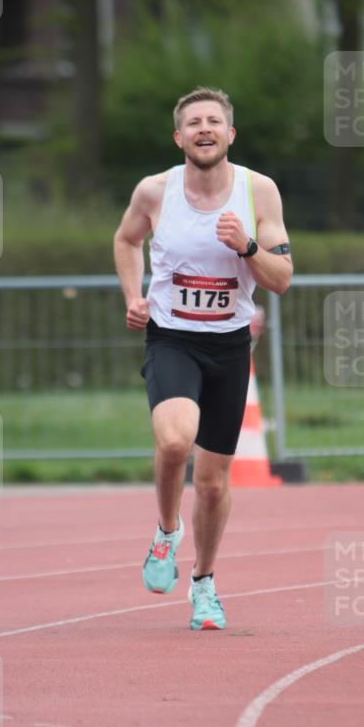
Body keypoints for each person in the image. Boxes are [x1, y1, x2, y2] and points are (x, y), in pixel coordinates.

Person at [114, 86, 292, 631]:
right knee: (173, 439)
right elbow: (125, 241)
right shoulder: (154, 191)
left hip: (230, 345)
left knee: (213, 483)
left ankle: (205, 584)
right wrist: (133, 296)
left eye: (214, 120)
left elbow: (281, 279)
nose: (204, 128)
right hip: (172, 337)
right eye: (194, 122)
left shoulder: (259, 192)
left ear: (230, 134)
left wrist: (246, 247)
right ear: (179, 137)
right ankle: (167, 533)